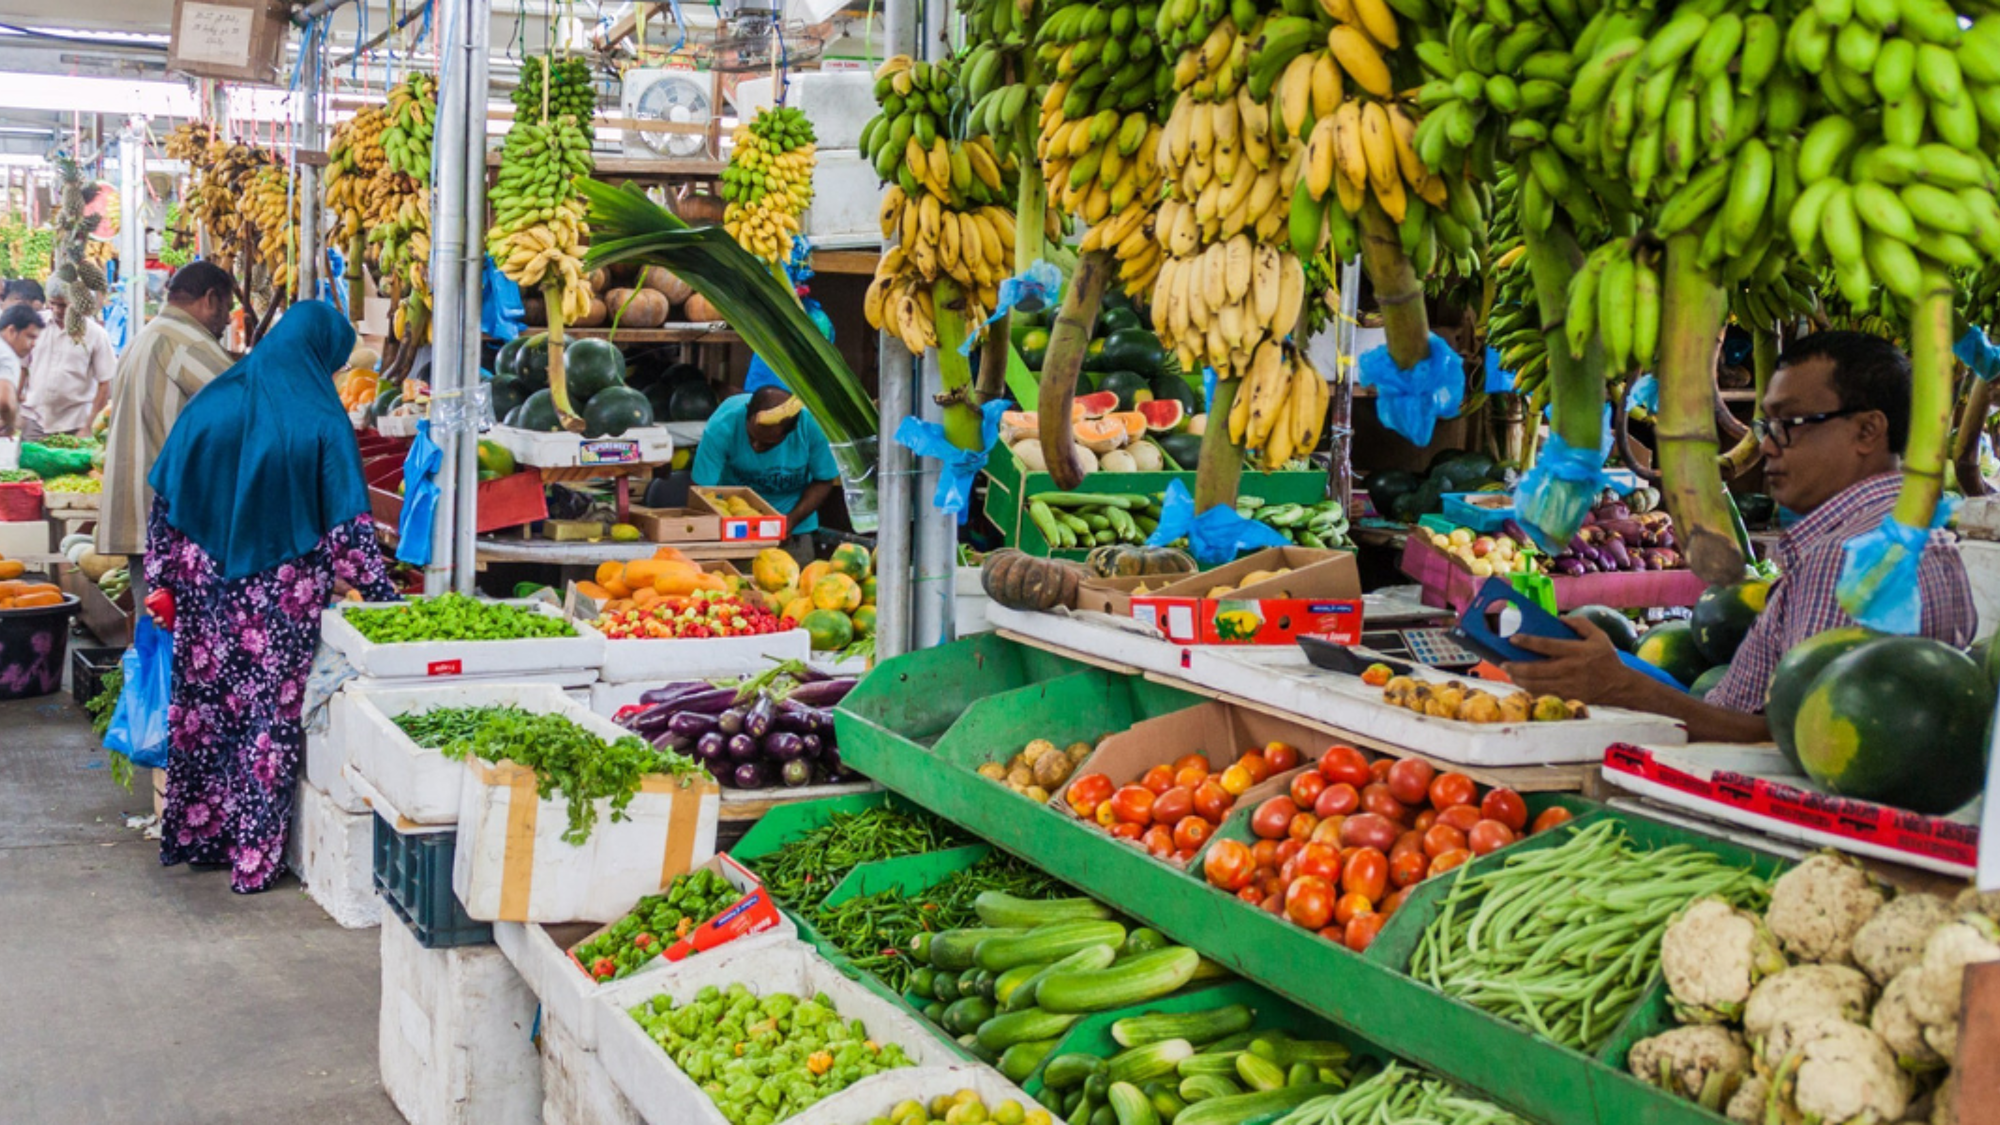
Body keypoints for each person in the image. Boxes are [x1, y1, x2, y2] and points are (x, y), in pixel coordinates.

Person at [1506, 331, 1977, 742]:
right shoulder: (1928, 541)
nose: (1768, 444)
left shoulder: (1846, 557)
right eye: (1765, 425)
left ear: (1868, 430)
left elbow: (1791, 742)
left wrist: (1622, 687)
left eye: (1789, 424)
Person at [144, 300, 400, 893]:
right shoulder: (321, 417)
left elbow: (164, 497)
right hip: (277, 602)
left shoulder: (214, 399)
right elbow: (349, 533)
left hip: (204, 589)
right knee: (266, 723)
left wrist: (164, 577)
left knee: (204, 709)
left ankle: (201, 838)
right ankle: (251, 861)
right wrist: (384, 602)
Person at [96, 262, 238, 593]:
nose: (229, 319)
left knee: (153, 632)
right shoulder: (187, 342)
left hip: (140, 514)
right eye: (227, 308)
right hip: (172, 524)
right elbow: (242, 410)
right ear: (210, 298)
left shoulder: (145, 337)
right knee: (177, 636)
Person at [692, 385, 841, 561]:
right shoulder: (722, 425)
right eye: (751, 437)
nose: (756, 446)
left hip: (793, 525)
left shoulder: (812, 427)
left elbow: (823, 480)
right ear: (747, 412)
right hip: (734, 526)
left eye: (767, 444)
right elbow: (701, 490)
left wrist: (790, 521)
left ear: (791, 431)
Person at [22, 277, 116, 440]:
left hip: (75, 424)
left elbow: (105, 383)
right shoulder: (34, 325)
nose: (57, 309)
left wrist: (88, 426)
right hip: (34, 420)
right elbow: (21, 368)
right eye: (53, 304)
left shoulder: (96, 334)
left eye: (64, 305)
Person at [0, 302, 41, 436]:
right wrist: (12, 423)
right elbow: (4, 401)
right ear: (12, 331)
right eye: (30, 337)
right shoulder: (7, 355)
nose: (33, 344)